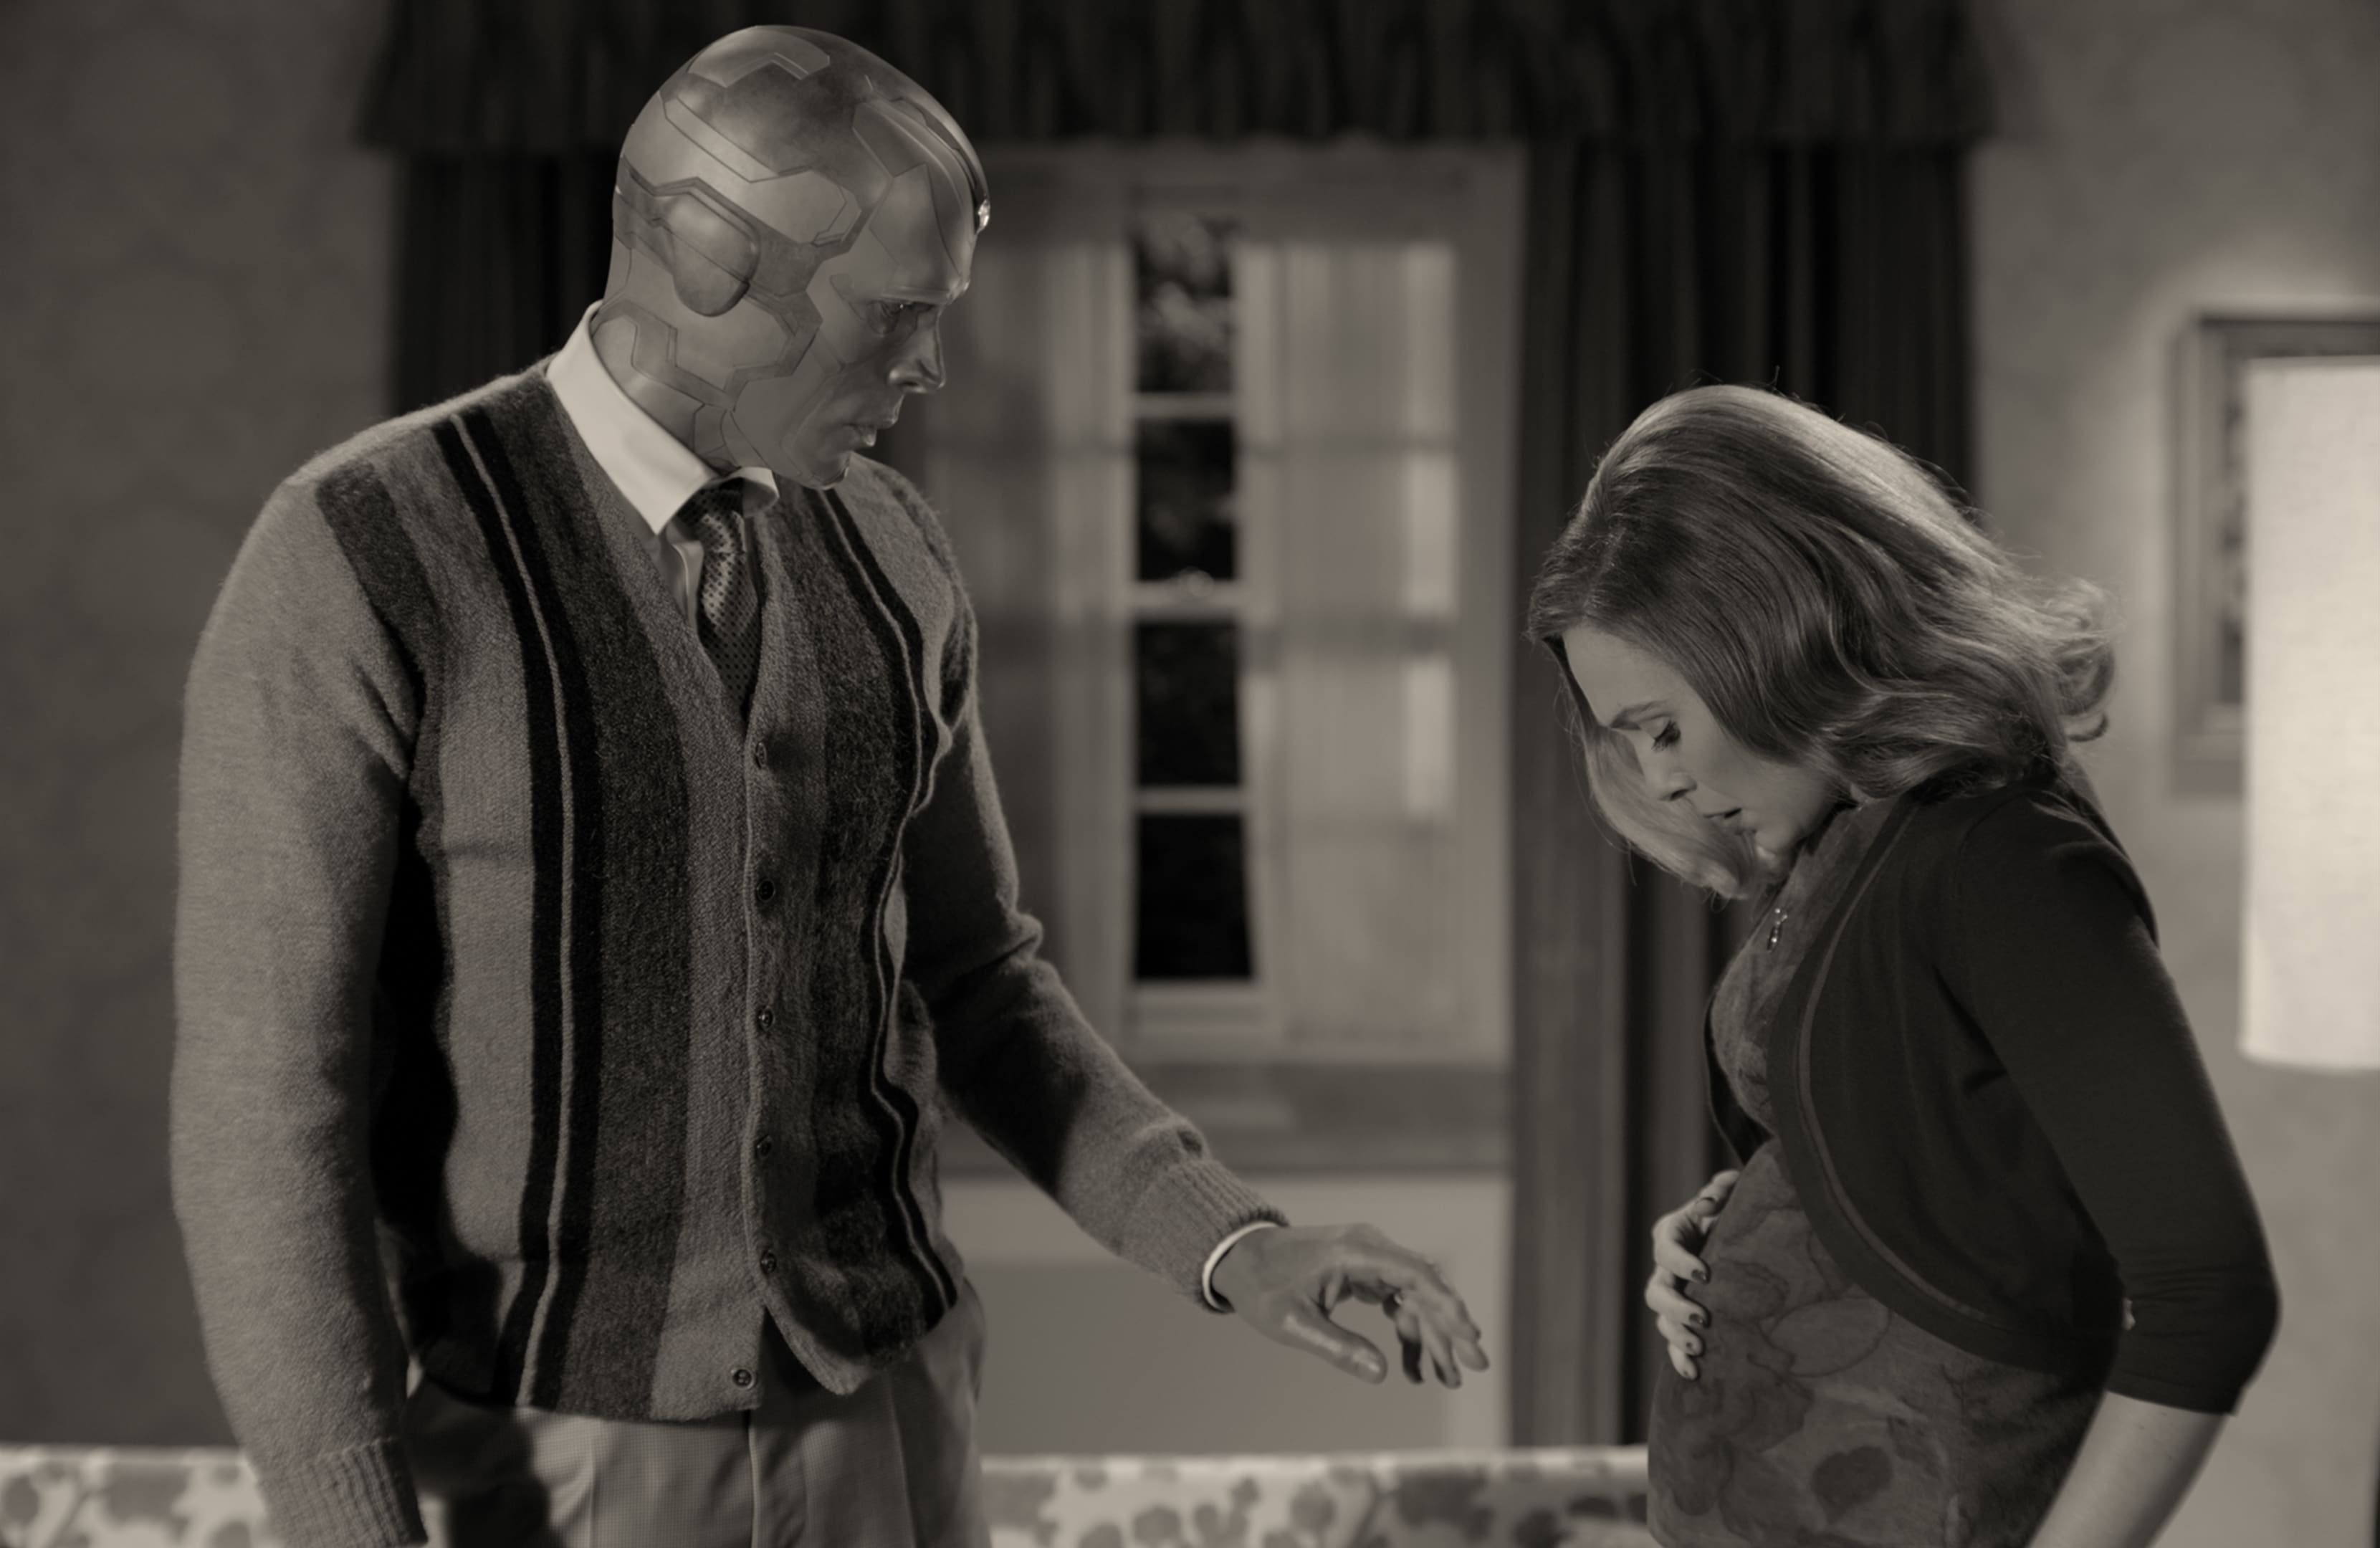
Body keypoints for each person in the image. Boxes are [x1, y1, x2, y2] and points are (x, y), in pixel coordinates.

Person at [170, 27, 1485, 1548]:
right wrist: (345, 1521)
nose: (929, 367)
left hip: (898, 1416)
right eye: (897, 314)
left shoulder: (891, 546)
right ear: (714, 265)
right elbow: (267, 1107)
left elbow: (980, 983)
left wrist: (1234, 1247)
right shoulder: (364, 550)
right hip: (557, 1455)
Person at [1525, 384, 2279, 1547]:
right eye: (1631, 742)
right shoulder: (1852, 843)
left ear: (1777, 637)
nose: (1661, 779)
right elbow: (1925, 1152)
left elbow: (2208, 1295)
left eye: (1663, 727)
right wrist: (1733, 1232)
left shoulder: (2001, 857)